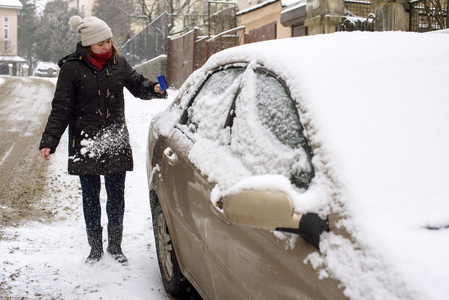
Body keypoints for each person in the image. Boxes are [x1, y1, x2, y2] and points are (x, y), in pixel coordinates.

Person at [39, 15, 166, 264]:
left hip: (115, 139)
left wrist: (154, 89)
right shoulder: (71, 69)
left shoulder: (118, 62)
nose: (107, 47)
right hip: (86, 141)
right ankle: (95, 249)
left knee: (116, 195)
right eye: (101, 44)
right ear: (88, 45)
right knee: (90, 196)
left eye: (109, 41)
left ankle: (115, 247)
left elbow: (138, 84)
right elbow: (61, 108)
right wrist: (49, 140)